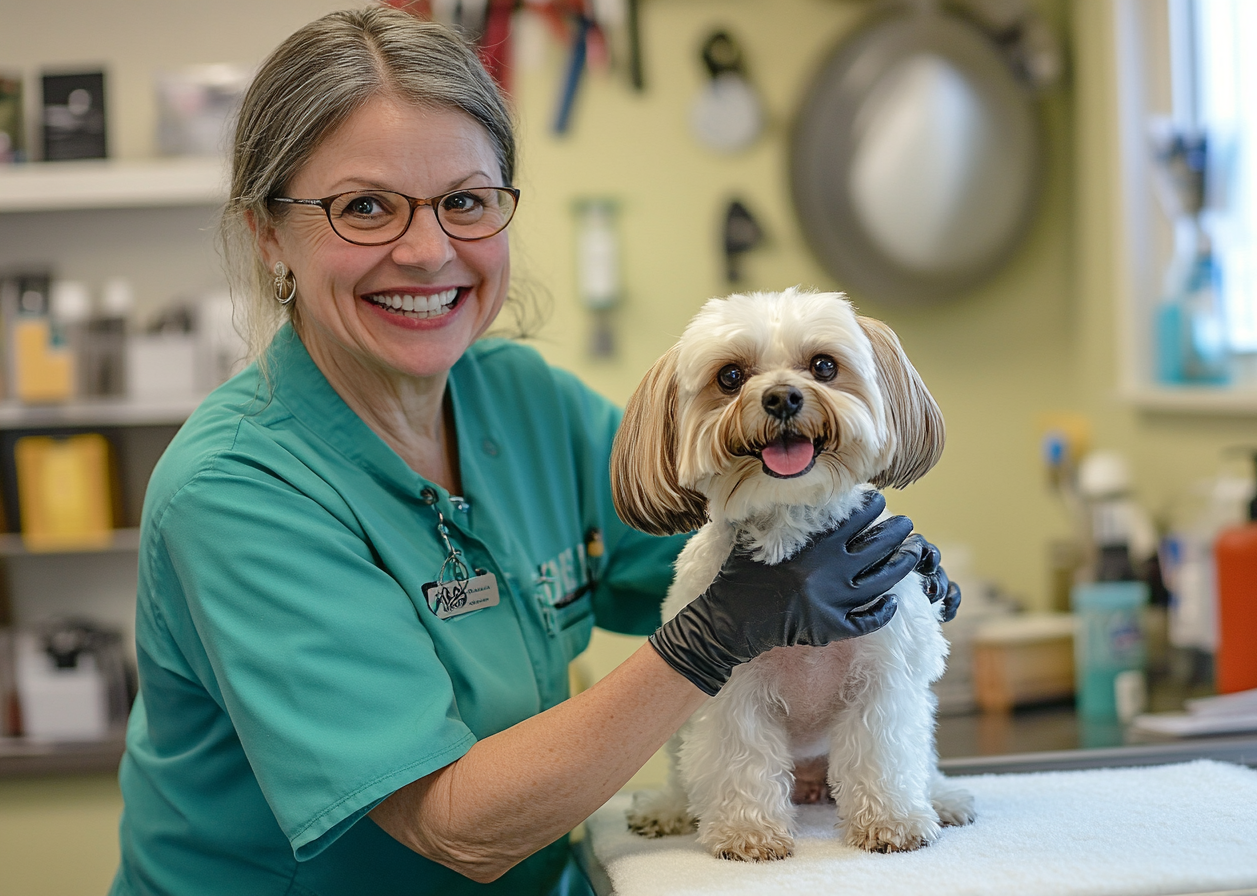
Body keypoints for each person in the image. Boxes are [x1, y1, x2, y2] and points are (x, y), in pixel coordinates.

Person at [110, 8, 960, 896]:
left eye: (466, 202)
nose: (429, 250)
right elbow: (457, 831)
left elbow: (717, 552)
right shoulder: (236, 492)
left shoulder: (524, 401)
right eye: (364, 207)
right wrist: (720, 632)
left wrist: (845, 562)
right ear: (267, 232)